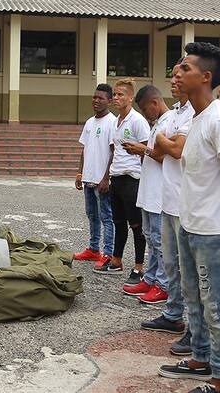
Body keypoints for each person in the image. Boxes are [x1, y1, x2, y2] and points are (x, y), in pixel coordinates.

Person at [158, 42, 220, 393]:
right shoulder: (197, 118)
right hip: (190, 223)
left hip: (215, 230)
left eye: (184, 69)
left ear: (206, 77)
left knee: (218, 304)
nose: (176, 75)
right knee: (194, 298)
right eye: (176, 69)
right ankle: (200, 357)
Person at [141, 60, 195, 351]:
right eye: (172, 75)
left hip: (186, 202)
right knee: (172, 264)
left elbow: (174, 150)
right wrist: (165, 142)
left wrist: (162, 140)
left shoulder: (194, 114)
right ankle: (174, 314)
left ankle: (195, 329)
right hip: (168, 200)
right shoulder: (174, 114)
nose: (174, 80)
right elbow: (166, 149)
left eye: (180, 75)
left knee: (189, 269)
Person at [94, 78, 150, 285]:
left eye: (121, 95)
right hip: (117, 177)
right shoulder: (116, 121)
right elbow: (115, 151)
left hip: (132, 178)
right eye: (115, 94)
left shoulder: (137, 121)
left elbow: (146, 151)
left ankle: (139, 266)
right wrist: (108, 176)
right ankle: (116, 260)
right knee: (118, 223)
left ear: (131, 97)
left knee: (136, 225)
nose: (116, 98)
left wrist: (145, 180)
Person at [121, 84, 171, 304]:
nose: (143, 114)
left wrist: (143, 150)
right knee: (151, 238)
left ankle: (163, 285)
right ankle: (150, 279)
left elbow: (168, 157)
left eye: (144, 109)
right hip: (148, 191)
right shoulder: (156, 123)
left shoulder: (170, 122)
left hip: (160, 193)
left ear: (155, 103)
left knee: (160, 242)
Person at [74, 84, 117, 265]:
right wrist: (80, 172)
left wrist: (106, 177)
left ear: (109, 101)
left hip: (102, 180)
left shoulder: (112, 122)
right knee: (92, 215)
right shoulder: (90, 122)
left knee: (106, 217)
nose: (96, 101)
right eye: (94, 97)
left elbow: (114, 152)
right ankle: (93, 249)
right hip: (88, 179)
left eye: (100, 98)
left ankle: (108, 253)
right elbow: (85, 149)